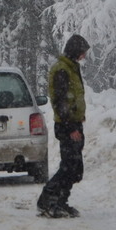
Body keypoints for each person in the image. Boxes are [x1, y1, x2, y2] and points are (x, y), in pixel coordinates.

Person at [37, 34, 90, 218]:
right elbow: (60, 101)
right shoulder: (62, 69)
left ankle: (61, 201)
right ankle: (48, 200)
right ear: (76, 50)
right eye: (83, 52)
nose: (84, 56)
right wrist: (71, 128)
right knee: (69, 166)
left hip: (74, 123)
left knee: (75, 169)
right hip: (67, 126)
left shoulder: (71, 67)